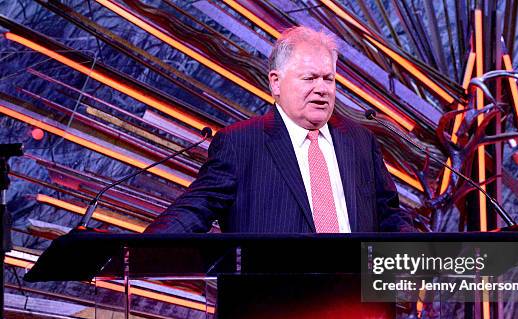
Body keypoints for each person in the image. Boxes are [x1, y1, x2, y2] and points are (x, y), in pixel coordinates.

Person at [146, 26, 413, 234]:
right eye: (309, 78)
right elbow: (195, 210)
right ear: (275, 83)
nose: (322, 88)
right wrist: (133, 253)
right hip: (273, 300)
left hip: (355, 299)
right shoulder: (240, 144)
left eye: (328, 79)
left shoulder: (360, 141)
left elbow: (388, 216)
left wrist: (430, 263)